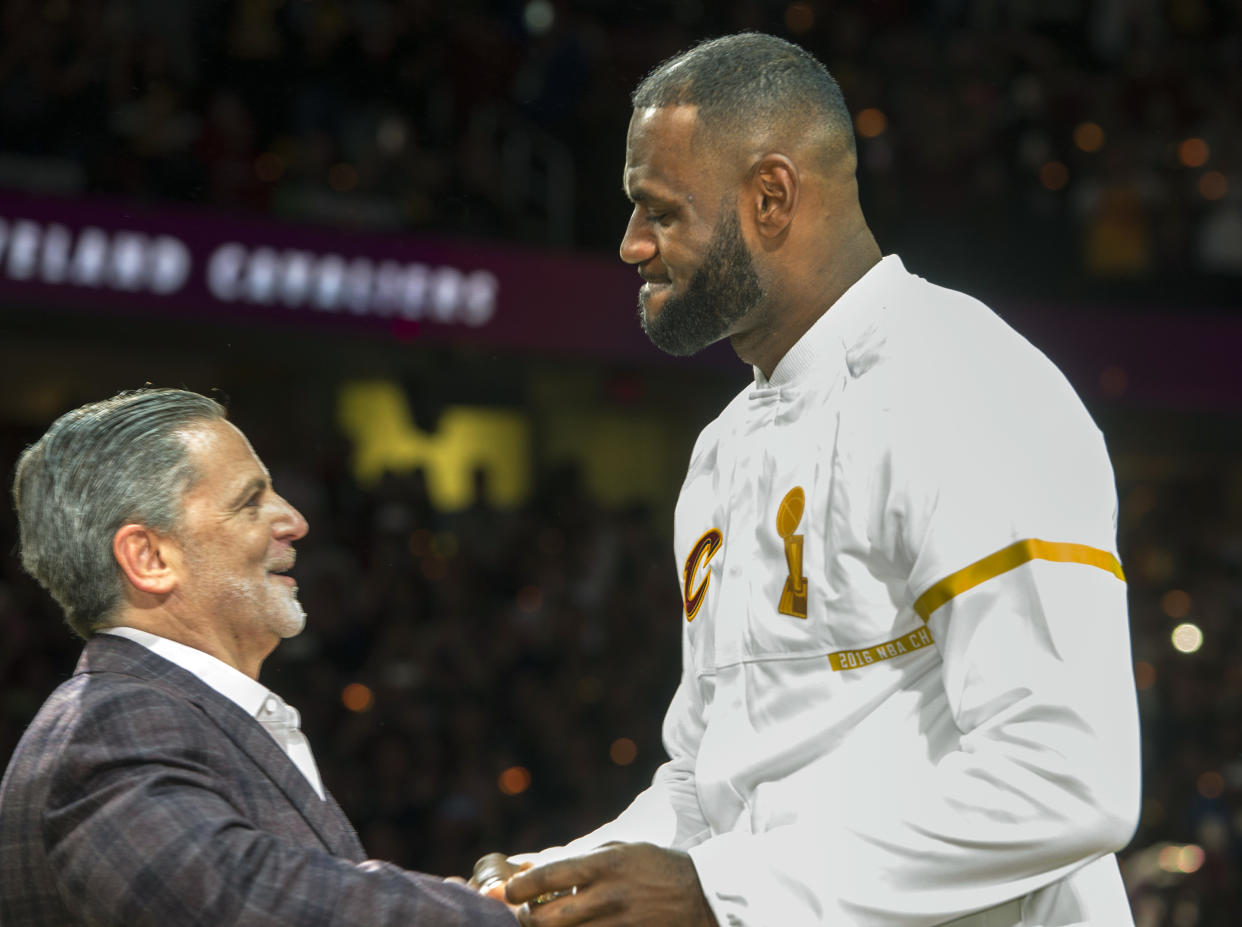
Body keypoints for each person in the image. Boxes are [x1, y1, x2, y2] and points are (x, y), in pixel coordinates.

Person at [471, 32, 1142, 927]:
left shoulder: (965, 383)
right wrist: (550, 879)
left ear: (772, 198)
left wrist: (721, 891)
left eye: (658, 210)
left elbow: (1067, 773)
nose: (632, 245)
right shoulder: (722, 449)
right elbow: (716, 781)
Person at [0, 389, 514, 927]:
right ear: (150, 557)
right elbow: (240, 901)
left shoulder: (163, 716)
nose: (295, 520)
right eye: (251, 501)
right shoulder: (113, 722)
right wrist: (490, 918)